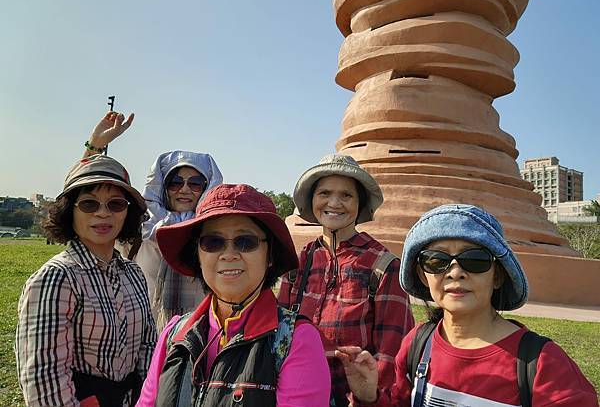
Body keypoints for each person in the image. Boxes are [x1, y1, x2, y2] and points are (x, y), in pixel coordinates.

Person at [336, 204, 599, 406]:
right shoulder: (418, 343)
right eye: (436, 260)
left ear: (498, 275)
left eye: (474, 259)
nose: (455, 272)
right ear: (422, 276)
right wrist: (368, 396)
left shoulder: (542, 363)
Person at [136, 184, 330, 406]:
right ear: (198, 255)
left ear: (270, 256)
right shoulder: (174, 335)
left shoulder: (294, 340)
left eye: (246, 242)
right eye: (213, 242)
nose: (228, 254)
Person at [16, 154, 157, 407]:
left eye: (115, 204)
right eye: (89, 205)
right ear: (70, 211)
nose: (103, 213)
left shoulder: (133, 273)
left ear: (128, 212)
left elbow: (148, 348)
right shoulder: (57, 278)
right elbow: (44, 378)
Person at [278, 153, 415, 407]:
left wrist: (368, 398)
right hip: (297, 396)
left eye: (346, 195)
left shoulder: (383, 266)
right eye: (325, 193)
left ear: (359, 204)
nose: (334, 202)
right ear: (312, 200)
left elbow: (390, 355)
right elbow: (279, 337)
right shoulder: (297, 264)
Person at [84, 111, 223, 329]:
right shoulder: (140, 227)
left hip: (198, 341)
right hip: (139, 339)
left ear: (207, 188)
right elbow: (85, 205)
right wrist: (95, 145)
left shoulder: (218, 233)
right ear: (161, 186)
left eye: (196, 183)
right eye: (175, 182)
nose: (185, 189)